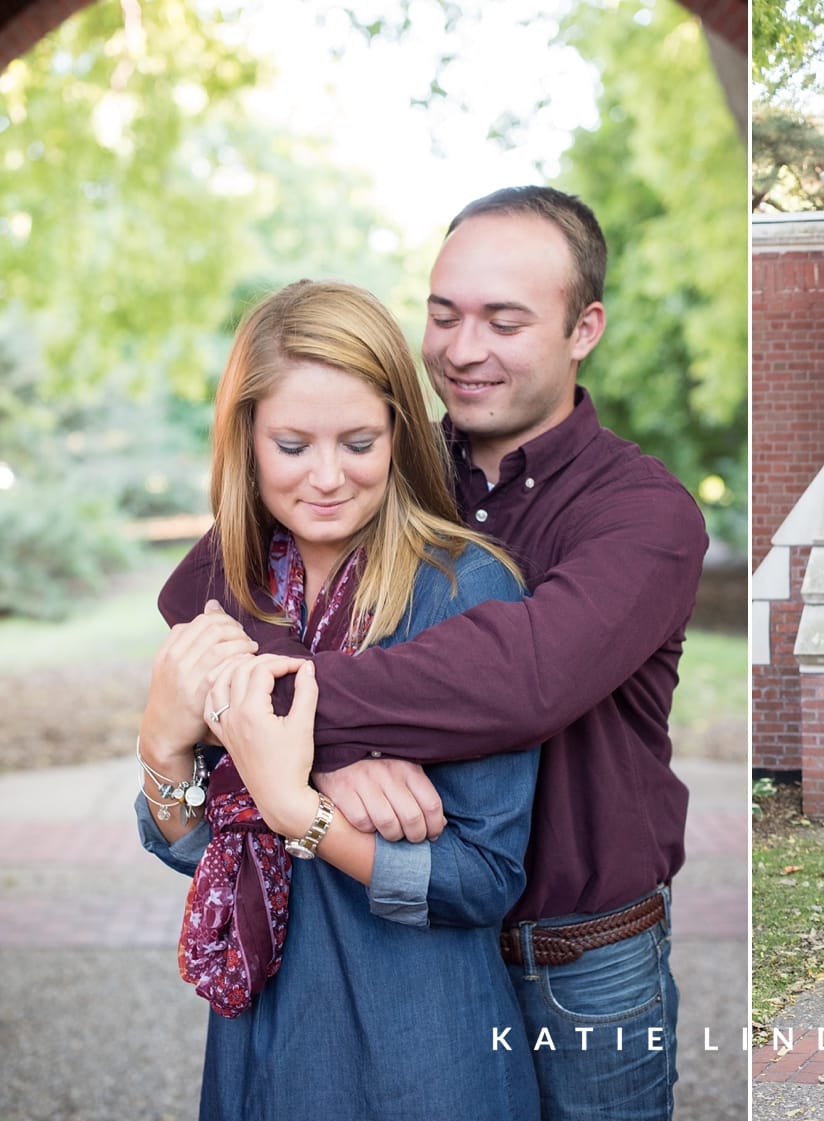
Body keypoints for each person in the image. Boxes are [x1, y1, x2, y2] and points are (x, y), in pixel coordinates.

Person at [155, 187, 707, 1121]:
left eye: (504, 319)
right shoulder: (384, 464)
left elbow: (518, 680)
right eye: (443, 314)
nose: (462, 347)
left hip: (578, 958)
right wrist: (333, 755)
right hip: (399, 945)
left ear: (585, 328)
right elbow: (197, 598)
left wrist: (282, 724)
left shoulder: (644, 512)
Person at [135, 280, 542, 1120]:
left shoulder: (463, 589)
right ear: (244, 440)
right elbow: (195, 848)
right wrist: (162, 749)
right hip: (260, 1039)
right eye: (291, 444)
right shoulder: (228, 594)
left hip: (419, 1045)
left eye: (359, 440)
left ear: (400, 431)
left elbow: (482, 879)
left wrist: (300, 807)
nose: (327, 477)